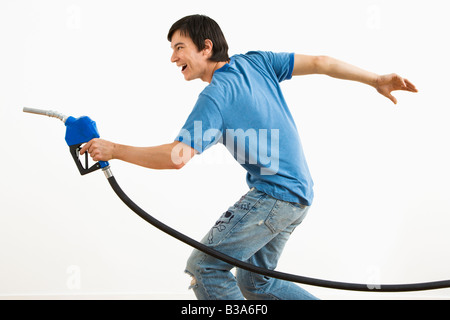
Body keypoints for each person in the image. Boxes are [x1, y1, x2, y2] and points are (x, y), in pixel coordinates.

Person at [80, 14, 418, 300]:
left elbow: (176, 157)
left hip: (275, 196)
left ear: (206, 47)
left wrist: (114, 150)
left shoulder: (216, 96)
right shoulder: (256, 62)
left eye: (179, 47)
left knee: (205, 268)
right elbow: (321, 63)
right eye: (171, 49)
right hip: (299, 195)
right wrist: (375, 79)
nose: (172, 57)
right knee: (255, 281)